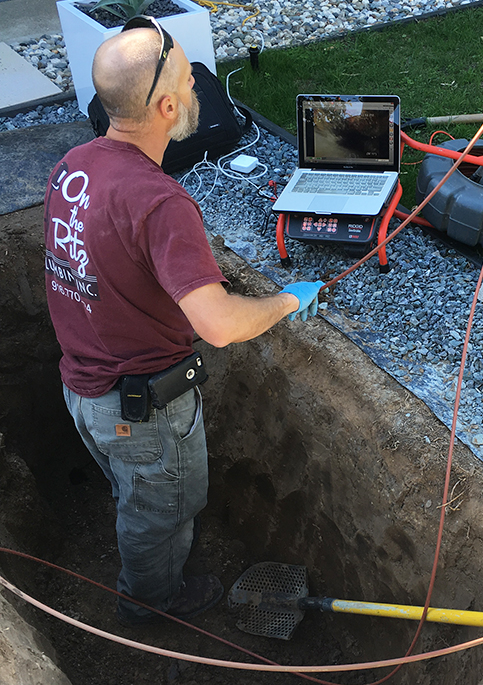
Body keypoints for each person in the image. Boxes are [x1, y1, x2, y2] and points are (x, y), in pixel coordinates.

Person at [43, 16, 323, 627]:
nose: (199, 88)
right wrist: (287, 302)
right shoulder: (161, 203)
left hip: (84, 387)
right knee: (163, 509)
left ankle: (141, 543)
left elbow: (104, 263)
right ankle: (149, 603)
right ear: (168, 106)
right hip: (141, 410)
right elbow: (219, 326)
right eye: (189, 81)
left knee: (137, 489)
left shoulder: (75, 164)